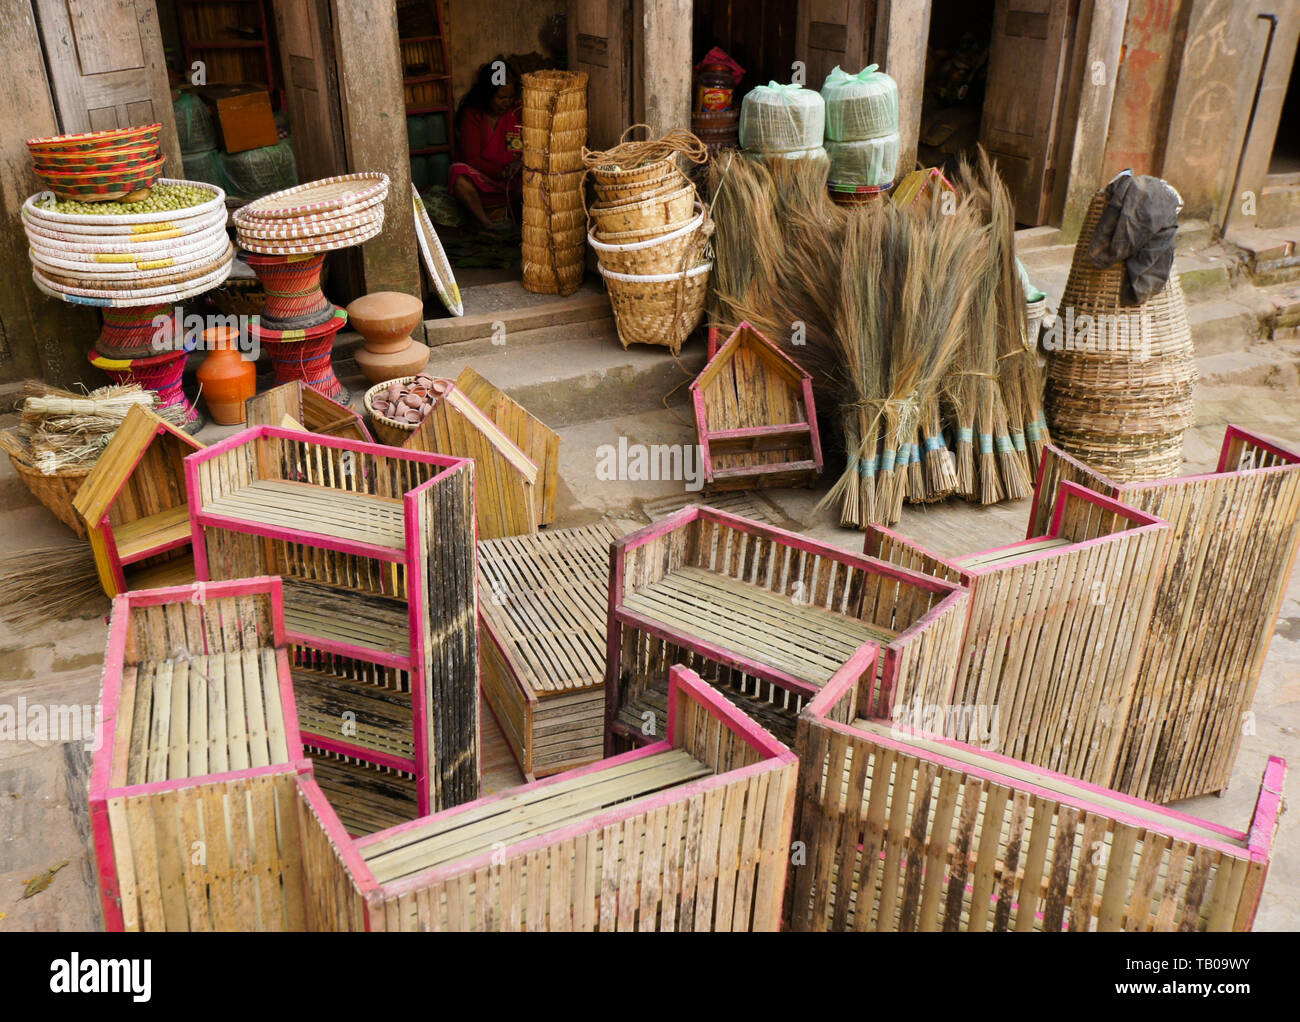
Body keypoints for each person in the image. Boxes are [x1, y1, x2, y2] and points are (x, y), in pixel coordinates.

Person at [449, 60, 523, 234]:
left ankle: (522, 222)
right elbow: (472, 159)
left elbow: (527, 147)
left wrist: (519, 164)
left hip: (513, 181)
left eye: (510, 97)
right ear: (487, 95)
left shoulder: (516, 112)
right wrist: (500, 172)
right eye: (501, 98)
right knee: (457, 172)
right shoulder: (473, 115)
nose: (507, 102)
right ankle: (487, 223)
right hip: (484, 182)